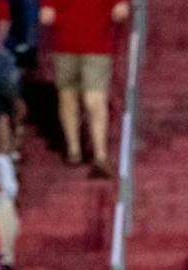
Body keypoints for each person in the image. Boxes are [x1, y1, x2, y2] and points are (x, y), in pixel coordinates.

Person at [39, 0, 129, 175]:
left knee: (94, 99)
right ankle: (74, 150)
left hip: (97, 47)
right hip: (64, 46)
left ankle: (100, 155)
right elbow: (46, 14)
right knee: (67, 97)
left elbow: (121, 10)